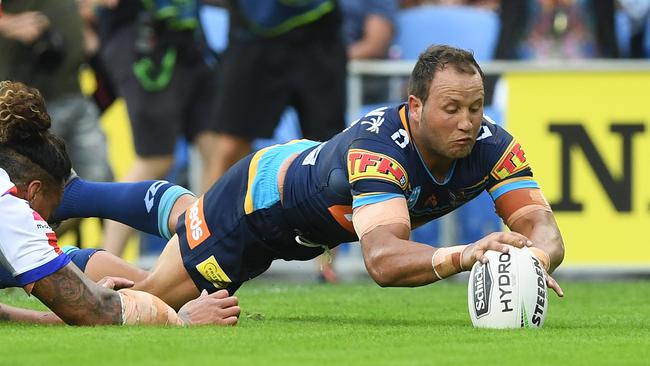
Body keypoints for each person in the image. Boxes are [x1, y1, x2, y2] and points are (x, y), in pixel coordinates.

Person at [49, 45, 565, 314]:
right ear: (415, 106)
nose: (468, 122)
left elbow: (538, 221)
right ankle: (36, 267)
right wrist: (467, 253)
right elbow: (383, 260)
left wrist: (534, 257)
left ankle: (72, 193)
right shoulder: (382, 153)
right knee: (141, 305)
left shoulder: (494, 145)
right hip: (255, 208)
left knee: (186, 218)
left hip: (299, 193)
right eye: (452, 108)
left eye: (475, 107)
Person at [0, 80, 240, 326]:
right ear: (32, 193)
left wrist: (203, 221)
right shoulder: (8, 206)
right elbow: (91, 310)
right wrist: (181, 320)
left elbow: (126, 199)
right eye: (51, 217)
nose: (50, 226)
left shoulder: (22, 186)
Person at [94, 0, 222, 257]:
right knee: (155, 158)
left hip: (188, 40)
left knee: (219, 149)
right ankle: (104, 263)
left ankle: (205, 251)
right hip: (142, 43)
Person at [0, 0, 114, 237]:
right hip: (26, 109)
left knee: (102, 185)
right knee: (31, 197)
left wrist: (83, 20)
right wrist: (6, 23)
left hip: (74, 92)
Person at [208, 0, 347, 184]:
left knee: (329, 152)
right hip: (253, 35)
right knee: (229, 148)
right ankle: (206, 212)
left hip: (320, 36)